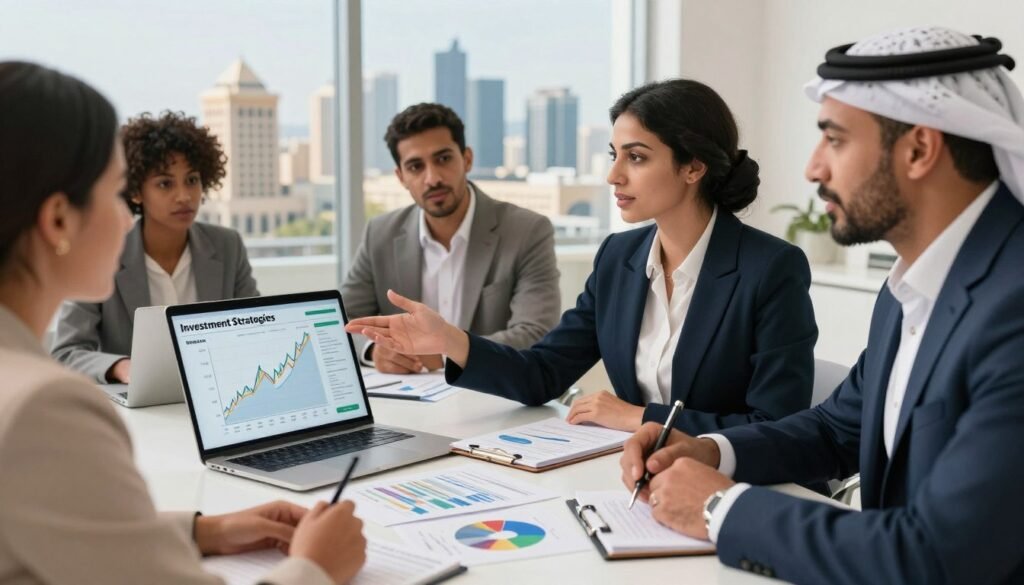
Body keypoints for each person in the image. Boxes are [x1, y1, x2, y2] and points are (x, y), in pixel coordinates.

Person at [618, 27, 1024, 584]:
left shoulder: (1013, 307)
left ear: (919, 150)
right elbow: (838, 429)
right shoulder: (908, 288)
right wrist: (710, 450)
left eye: (834, 140)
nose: (814, 169)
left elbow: (937, 555)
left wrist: (718, 508)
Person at [0, 61, 365, 585]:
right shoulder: (44, 410)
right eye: (113, 192)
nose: (125, 218)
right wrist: (316, 567)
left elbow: (53, 527)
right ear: (58, 219)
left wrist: (202, 531)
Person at [347, 80, 818, 433]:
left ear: (693, 166)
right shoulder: (619, 257)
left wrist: (640, 417)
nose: (614, 175)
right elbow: (542, 375)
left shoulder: (770, 269)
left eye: (636, 157)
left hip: (739, 489)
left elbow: (776, 426)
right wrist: (450, 340)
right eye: (614, 155)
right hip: (643, 478)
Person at [341, 103, 561, 374]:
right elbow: (342, 321)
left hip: (493, 392)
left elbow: (536, 333)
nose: (432, 178)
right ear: (401, 177)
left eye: (443, 159)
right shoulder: (380, 233)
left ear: (467, 159)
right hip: (407, 393)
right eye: (415, 167)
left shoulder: (527, 231)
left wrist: (442, 354)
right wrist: (373, 350)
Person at [51, 110, 259, 383]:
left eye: (192, 180)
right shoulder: (99, 253)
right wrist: (121, 367)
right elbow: (66, 352)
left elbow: (256, 332)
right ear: (136, 191)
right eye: (165, 183)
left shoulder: (227, 246)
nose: (184, 196)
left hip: (215, 392)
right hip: (138, 402)